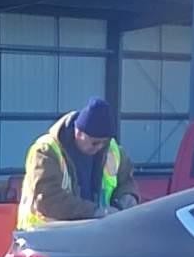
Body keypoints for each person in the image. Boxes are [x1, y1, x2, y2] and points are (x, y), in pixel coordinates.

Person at [18, 97, 132, 227]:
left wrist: (128, 197)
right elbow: (47, 200)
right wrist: (95, 212)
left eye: (104, 142)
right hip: (43, 238)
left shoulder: (112, 150)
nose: (99, 147)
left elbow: (126, 181)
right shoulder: (46, 152)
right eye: (94, 142)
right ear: (78, 132)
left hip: (91, 235)